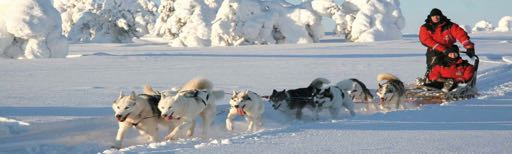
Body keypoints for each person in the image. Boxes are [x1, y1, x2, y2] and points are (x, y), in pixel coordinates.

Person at [419, 8, 475, 74]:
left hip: (450, 49)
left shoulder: (450, 25)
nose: (435, 18)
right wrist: (442, 49)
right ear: (430, 17)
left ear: (441, 16)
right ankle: (433, 80)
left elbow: (461, 34)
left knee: (452, 66)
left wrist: (469, 47)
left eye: (437, 16)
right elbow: (425, 40)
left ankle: (455, 79)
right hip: (434, 50)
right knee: (434, 68)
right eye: (433, 16)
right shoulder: (426, 27)